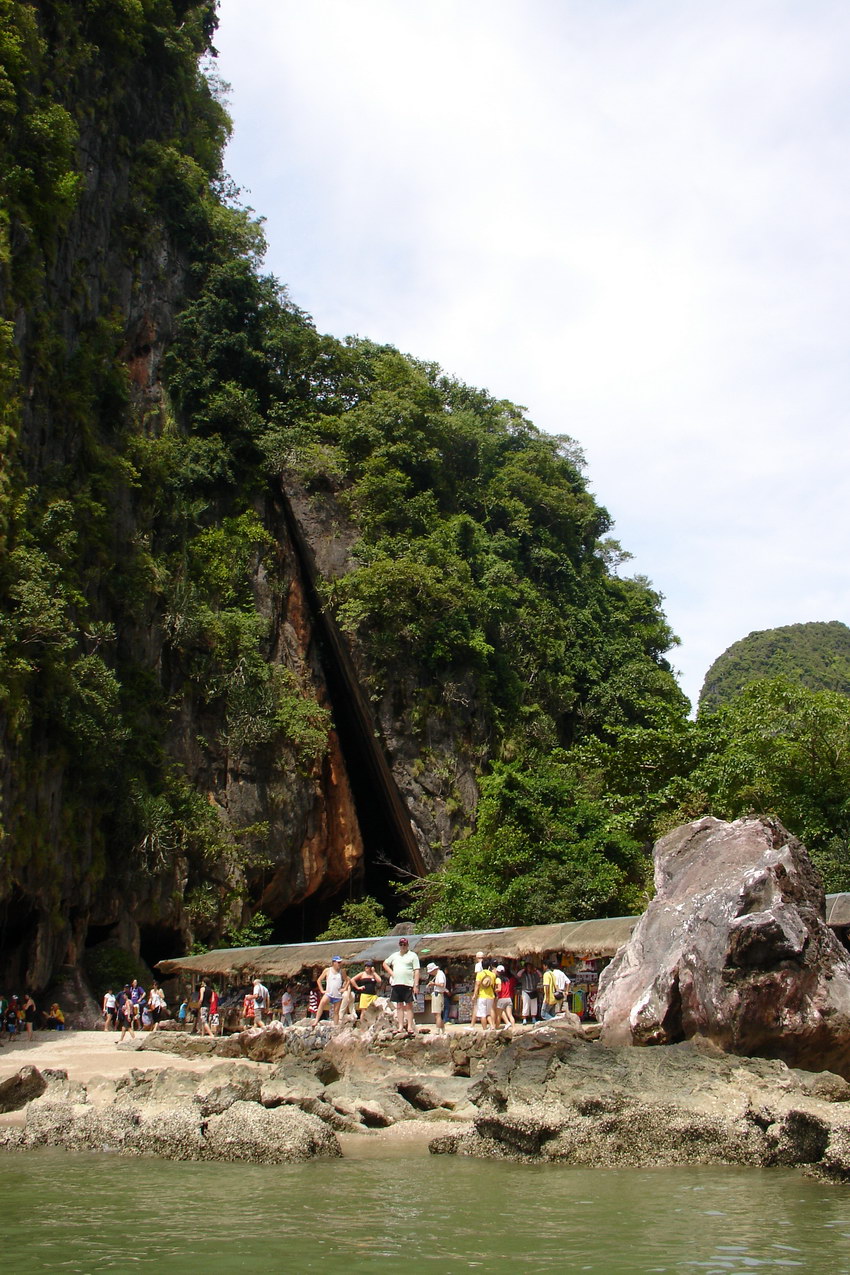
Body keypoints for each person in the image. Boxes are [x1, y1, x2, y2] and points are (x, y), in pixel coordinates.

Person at [382, 936, 420, 1036]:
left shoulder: (413, 955)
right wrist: (392, 973)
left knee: (409, 1005)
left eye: (404, 944)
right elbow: (385, 964)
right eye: (401, 945)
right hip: (396, 983)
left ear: (407, 945)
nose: (403, 946)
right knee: (399, 1006)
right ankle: (400, 1026)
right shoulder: (395, 955)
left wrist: (416, 985)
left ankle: (410, 1026)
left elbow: (416, 970)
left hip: (408, 983)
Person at [350, 961, 382, 1027]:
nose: (367, 968)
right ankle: (362, 1024)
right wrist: (358, 987)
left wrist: (374, 972)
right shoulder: (362, 974)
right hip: (365, 994)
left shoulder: (373, 974)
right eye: (366, 966)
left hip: (373, 995)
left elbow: (379, 981)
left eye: (369, 966)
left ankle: (372, 1024)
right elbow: (352, 980)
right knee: (364, 1010)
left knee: (373, 1010)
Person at [314, 957, 345, 1025]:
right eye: (338, 962)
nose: (339, 964)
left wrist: (344, 988)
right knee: (322, 1003)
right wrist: (322, 990)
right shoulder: (327, 970)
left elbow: (348, 980)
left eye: (340, 962)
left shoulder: (342, 971)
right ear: (334, 963)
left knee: (336, 1011)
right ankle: (316, 1020)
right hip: (329, 993)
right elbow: (319, 980)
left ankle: (335, 1025)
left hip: (338, 995)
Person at [472, 960, 497, 1030]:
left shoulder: (479, 974)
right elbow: (494, 985)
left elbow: (477, 984)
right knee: (488, 1013)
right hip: (490, 996)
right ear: (489, 966)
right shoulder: (493, 974)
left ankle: (485, 1029)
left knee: (482, 1014)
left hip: (482, 996)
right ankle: (492, 1026)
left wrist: (474, 994)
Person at [425, 961, 447, 1033]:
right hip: (438, 994)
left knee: (437, 1013)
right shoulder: (438, 974)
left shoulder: (440, 974)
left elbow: (441, 984)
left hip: (438, 994)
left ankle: (438, 1030)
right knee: (437, 1014)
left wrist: (433, 984)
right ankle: (442, 1029)